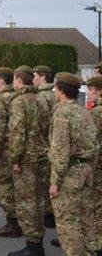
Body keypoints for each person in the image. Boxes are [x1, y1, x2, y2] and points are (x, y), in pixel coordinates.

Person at [49, 73, 98, 256]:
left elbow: (60, 151)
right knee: (86, 222)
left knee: (68, 225)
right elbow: (94, 144)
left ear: (60, 90)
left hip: (69, 173)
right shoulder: (83, 111)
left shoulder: (62, 113)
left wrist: (55, 181)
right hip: (86, 170)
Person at [7, 66, 46, 256]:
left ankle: (33, 246)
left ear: (19, 80)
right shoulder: (40, 99)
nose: (13, 84)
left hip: (26, 159)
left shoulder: (19, 101)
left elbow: (17, 133)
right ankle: (37, 242)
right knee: (38, 200)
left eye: (14, 80)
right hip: (41, 156)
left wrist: (15, 158)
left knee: (26, 202)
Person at [0, 67, 21, 238]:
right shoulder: (15, 96)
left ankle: (12, 224)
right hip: (12, 148)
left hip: (4, 149)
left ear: (1, 80)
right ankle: (17, 222)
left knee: (5, 188)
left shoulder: (1, 99)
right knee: (13, 186)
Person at [32, 65, 56, 229]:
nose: (33, 79)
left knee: (42, 184)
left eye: (35, 76)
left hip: (43, 146)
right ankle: (51, 216)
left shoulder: (40, 98)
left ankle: (46, 216)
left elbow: (38, 126)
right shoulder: (55, 96)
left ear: (42, 77)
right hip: (53, 144)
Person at [84, 76, 102, 255]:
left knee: (96, 206)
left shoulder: (97, 112)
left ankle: (98, 245)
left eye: (90, 90)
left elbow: (91, 140)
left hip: (98, 165)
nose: (88, 94)